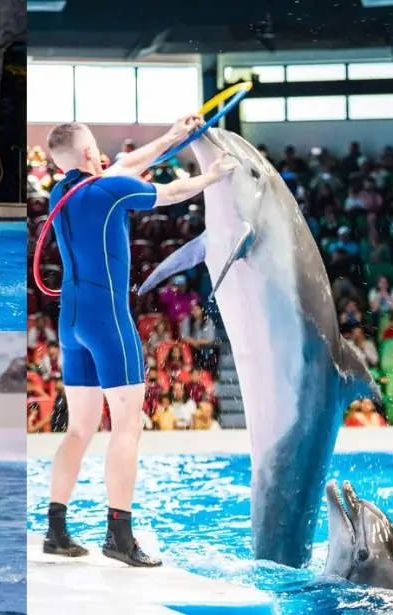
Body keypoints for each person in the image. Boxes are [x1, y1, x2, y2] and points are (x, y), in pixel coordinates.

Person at [41, 119, 239, 568]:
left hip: (71, 320)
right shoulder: (107, 193)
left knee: (79, 428)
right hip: (107, 319)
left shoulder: (63, 195)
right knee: (128, 426)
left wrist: (173, 137)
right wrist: (214, 176)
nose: (103, 156)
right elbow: (170, 194)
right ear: (90, 153)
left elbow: (128, 163)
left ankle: (56, 530)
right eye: (95, 149)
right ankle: (120, 535)